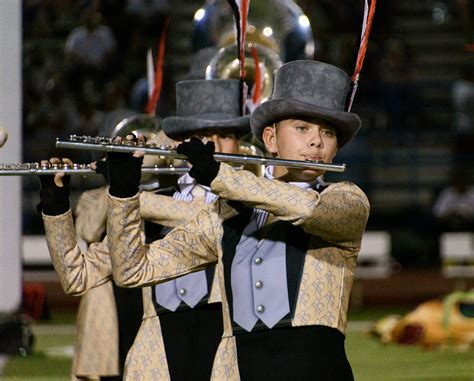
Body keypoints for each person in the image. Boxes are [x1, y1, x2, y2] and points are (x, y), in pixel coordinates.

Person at [105, 60, 370, 380]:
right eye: (302, 128)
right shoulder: (228, 213)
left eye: (327, 133)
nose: (316, 141)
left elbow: (306, 209)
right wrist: (122, 197)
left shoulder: (347, 200)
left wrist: (220, 177)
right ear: (270, 139)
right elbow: (133, 269)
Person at [38, 78, 250, 380]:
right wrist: (56, 207)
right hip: (158, 359)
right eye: (202, 134)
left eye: (226, 135)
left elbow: (207, 216)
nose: (214, 144)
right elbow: (77, 276)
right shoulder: (148, 207)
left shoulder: (248, 203)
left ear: (239, 143)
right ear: (181, 143)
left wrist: (132, 197)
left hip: (225, 357)